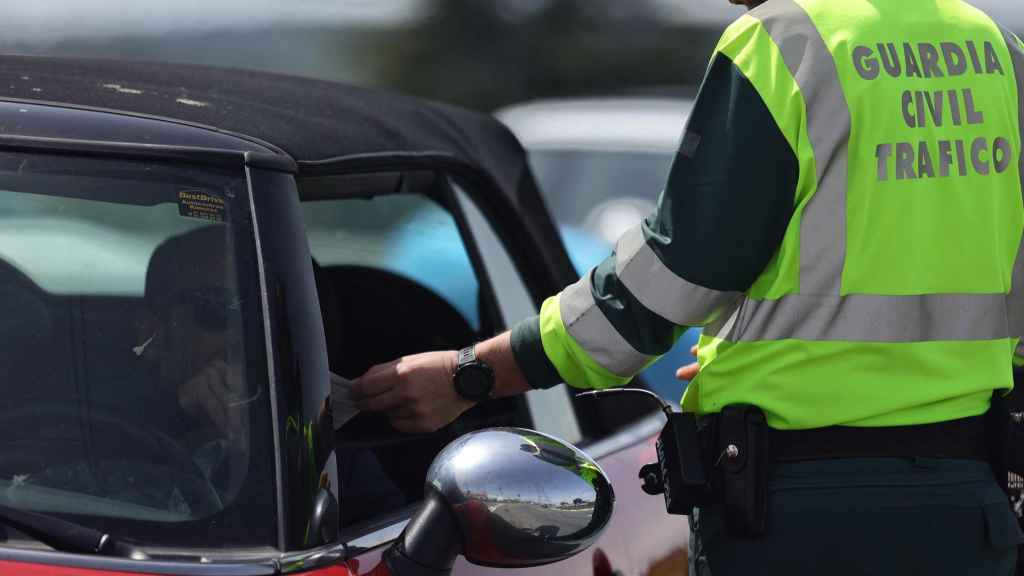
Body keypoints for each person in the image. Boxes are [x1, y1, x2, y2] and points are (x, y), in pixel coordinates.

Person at [354, 0, 1024, 573]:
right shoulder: (996, 48)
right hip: (969, 510)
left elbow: (666, 286)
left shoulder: (786, 43)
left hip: (802, 516)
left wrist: (474, 373)